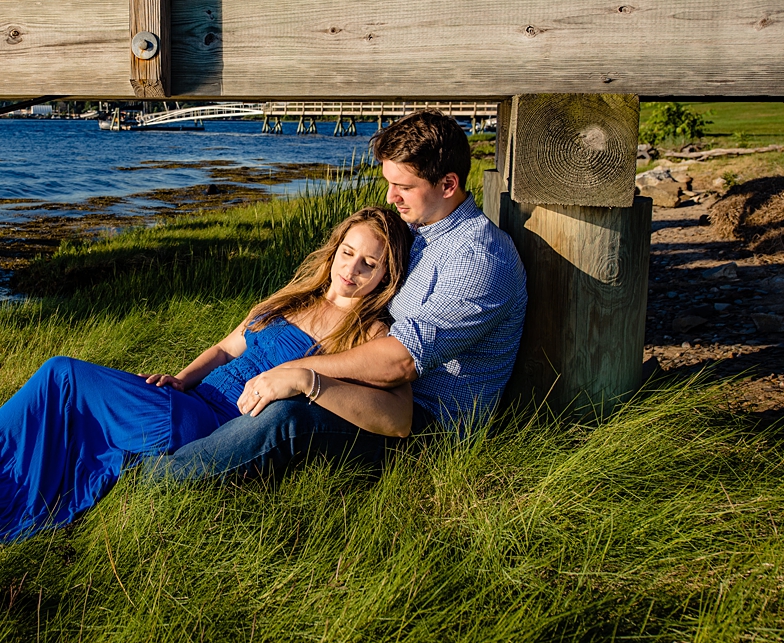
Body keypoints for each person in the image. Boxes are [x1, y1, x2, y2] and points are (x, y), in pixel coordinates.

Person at [0, 206, 414, 552]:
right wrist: (181, 376)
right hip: (189, 401)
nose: (353, 268)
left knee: (60, 380)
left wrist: (305, 378)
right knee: (56, 407)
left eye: (371, 262)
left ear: (387, 274)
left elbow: (398, 416)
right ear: (333, 250)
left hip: (212, 428)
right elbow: (230, 343)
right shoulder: (292, 299)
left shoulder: (367, 331)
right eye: (348, 252)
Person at [153, 110, 528, 481]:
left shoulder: (479, 259)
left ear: (448, 185)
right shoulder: (422, 231)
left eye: (405, 187)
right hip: (375, 392)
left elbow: (402, 362)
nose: (390, 196)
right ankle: (168, 439)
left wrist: (298, 372)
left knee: (290, 415)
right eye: (388, 182)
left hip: (425, 428)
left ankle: (160, 482)